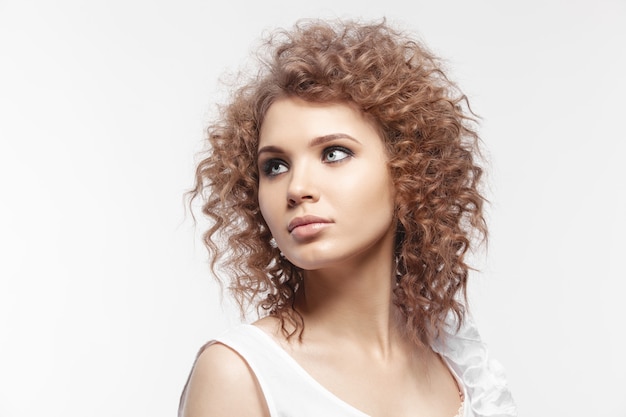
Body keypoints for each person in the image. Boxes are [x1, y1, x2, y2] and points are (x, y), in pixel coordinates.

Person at [179, 18, 517, 417]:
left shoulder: (460, 363)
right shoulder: (240, 375)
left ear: (407, 170)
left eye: (333, 153)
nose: (296, 187)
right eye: (274, 166)